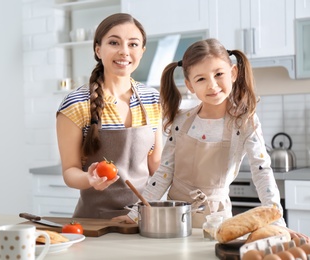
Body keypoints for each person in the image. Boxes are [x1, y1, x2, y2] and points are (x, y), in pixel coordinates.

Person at [116, 38, 309, 241]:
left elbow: (262, 172)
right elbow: (164, 172)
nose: (212, 85)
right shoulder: (182, 120)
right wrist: (136, 213)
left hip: (217, 222)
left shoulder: (244, 122)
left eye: (219, 74)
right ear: (190, 85)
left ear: (233, 73)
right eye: (201, 79)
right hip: (174, 219)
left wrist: (277, 221)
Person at [56, 13, 163, 219]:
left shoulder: (152, 99)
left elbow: (155, 165)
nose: (124, 51)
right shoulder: (76, 103)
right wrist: (90, 179)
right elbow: (70, 171)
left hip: (142, 219)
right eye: (114, 42)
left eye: (133, 44)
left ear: (142, 51)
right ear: (98, 49)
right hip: (94, 221)